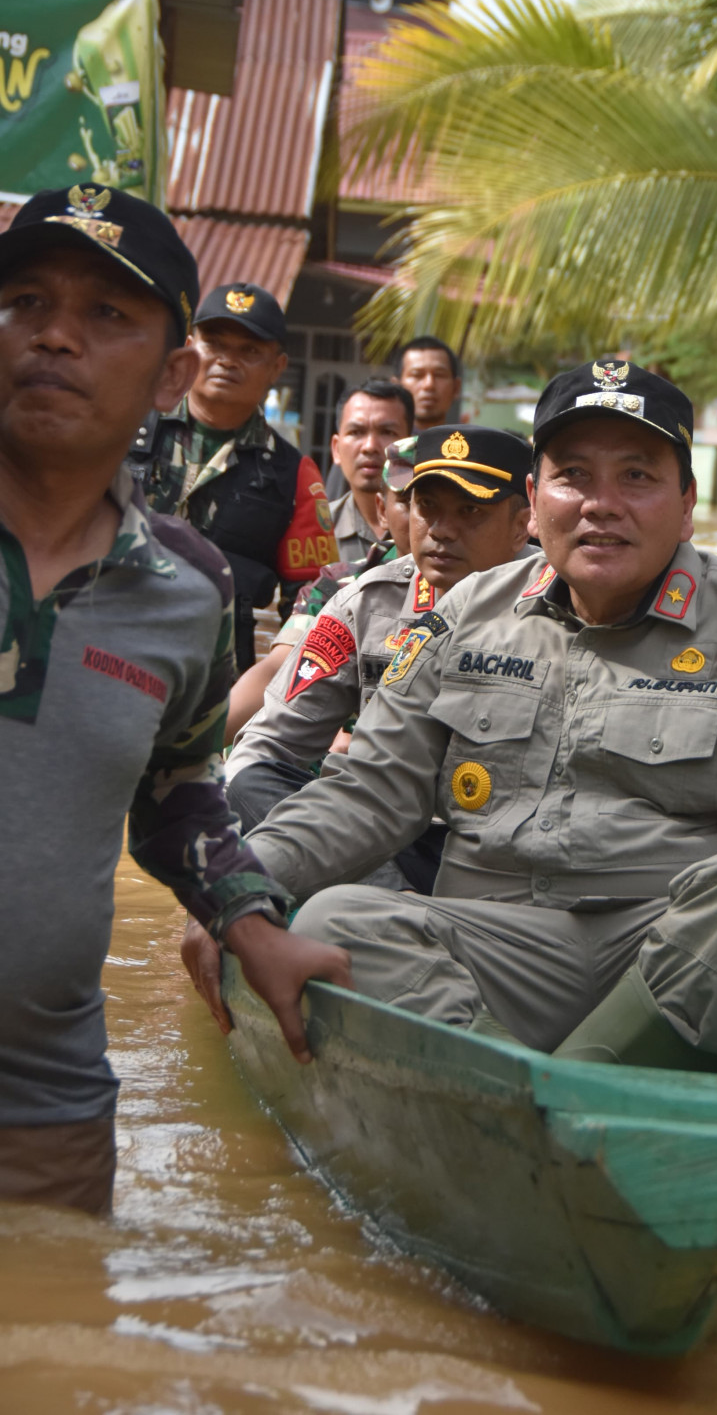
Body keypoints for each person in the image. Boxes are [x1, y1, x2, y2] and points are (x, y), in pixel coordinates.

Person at [184, 358, 717, 1093]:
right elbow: (367, 792)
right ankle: (548, 1099)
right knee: (333, 921)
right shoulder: (464, 614)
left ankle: (534, 1099)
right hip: (500, 951)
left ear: (686, 503)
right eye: (574, 476)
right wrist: (240, 889)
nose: (603, 504)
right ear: (534, 501)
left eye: (637, 477)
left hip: (687, 961)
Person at [0, 184, 348, 1215]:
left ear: (171, 373)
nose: (56, 334)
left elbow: (176, 795)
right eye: (24, 300)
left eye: (108, 314)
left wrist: (253, 925)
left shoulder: (190, 590)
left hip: (44, 1111)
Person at [225, 427, 533, 900]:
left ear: (522, 523)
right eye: (427, 507)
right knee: (251, 775)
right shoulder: (363, 604)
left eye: (470, 511)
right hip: (378, 836)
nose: (441, 530)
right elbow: (269, 745)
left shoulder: (567, 607)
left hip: (507, 853)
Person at [127, 282, 338, 671]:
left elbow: (314, 600)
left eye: (249, 351)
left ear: (278, 367)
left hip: (213, 681)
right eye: (215, 344)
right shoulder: (123, 428)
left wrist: (266, 683)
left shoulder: (293, 475)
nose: (228, 360)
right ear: (189, 349)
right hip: (104, 646)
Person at [327, 378, 414, 562]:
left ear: (409, 446)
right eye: (356, 432)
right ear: (336, 449)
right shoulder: (319, 530)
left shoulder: (431, 526)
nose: (370, 446)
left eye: (387, 432)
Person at [398, 335, 462, 430]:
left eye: (439, 375)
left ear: (456, 388)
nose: (429, 385)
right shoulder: (377, 443)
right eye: (417, 375)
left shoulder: (467, 443)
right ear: (397, 386)